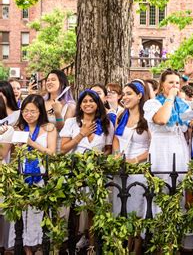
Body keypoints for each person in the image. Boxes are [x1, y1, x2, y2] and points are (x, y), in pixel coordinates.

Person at [1, 94, 57, 255]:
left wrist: (32, 143)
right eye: (25, 111)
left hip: (41, 177)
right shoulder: (18, 128)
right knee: (22, 215)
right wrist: (5, 135)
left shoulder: (49, 128)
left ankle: (39, 246)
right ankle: (26, 249)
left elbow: (52, 154)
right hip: (22, 177)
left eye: (33, 111)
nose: (28, 115)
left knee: (38, 213)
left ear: (40, 112)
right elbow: (8, 154)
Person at [112, 81, 150, 254]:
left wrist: (134, 160)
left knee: (136, 210)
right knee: (121, 210)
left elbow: (152, 147)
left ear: (140, 96)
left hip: (139, 169)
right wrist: (116, 154)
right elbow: (116, 138)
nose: (125, 97)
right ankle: (123, 247)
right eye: (124, 94)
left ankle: (136, 248)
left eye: (129, 94)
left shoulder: (147, 118)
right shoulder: (121, 116)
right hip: (121, 168)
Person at [60, 90, 114, 155]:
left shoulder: (106, 123)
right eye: (84, 101)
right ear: (80, 105)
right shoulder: (71, 122)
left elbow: (109, 149)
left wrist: (99, 161)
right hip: (74, 163)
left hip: (97, 164)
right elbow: (63, 150)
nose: (88, 104)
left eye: (91, 101)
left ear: (97, 105)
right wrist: (81, 135)